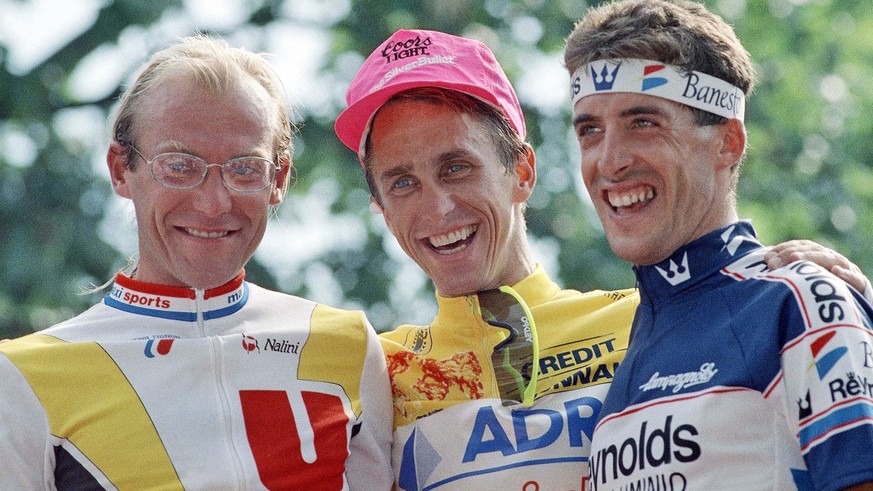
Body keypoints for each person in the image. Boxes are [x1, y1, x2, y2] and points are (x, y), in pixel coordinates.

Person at [333, 28, 871, 491]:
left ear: (522, 171)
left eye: (456, 167)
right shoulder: (374, 373)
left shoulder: (652, 321)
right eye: (402, 183)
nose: (438, 208)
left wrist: (811, 294)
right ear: (378, 205)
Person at [0, 35, 392, 490]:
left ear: (278, 179)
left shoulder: (350, 346)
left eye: (245, 167)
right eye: (180, 165)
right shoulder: (24, 377)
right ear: (120, 169)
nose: (213, 203)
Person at [563, 1, 873, 490]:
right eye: (590, 130)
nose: (610, 160)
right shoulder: (627, 341)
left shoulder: (799, 300)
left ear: (728, 142)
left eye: (643, 122)